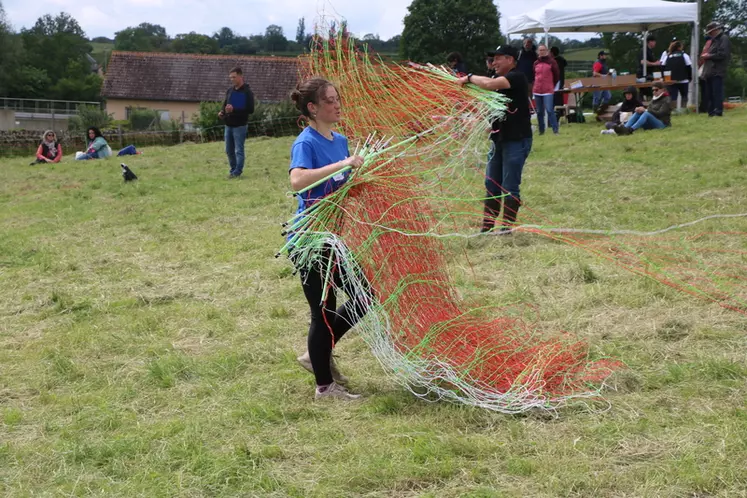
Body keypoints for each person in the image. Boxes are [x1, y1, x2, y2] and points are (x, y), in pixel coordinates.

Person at [288, 77, 368, 401]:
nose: (337, 105)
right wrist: (342, 164)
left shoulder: (341, 140)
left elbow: (342, 184)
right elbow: (298, 181)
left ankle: (316, 354)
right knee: (322, 310)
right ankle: (325, 386)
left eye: (337, 99)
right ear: (313, 108)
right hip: (310, 239)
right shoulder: (305, 143)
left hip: (334, 236)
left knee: (366, 294)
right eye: (330, 100)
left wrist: (364, 176)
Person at [458, 45, 532, 233]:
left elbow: (489, 85)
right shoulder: (495, 78)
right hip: (498, 138)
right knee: (491, 183)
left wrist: (468, 78)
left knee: (509, 185)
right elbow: (487, 90)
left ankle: (506, 228)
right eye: (492, 59)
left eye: (498, 58)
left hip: (516, 139)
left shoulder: (516, 77)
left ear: (510, 59)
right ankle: (487, 226)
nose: (494, 62)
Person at [218, 66, 255, 178]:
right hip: (228, 124)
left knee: (239, 150)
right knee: (229, 150)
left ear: (240, 76)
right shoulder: (230, 91)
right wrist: (222, 112)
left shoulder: (247, 92)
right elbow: (225, 105)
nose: (232, 79)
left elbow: (250, 109)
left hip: (240, 125)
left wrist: (234, 110)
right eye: (230, 78)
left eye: (234, 77)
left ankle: (237, 172)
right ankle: (233, 169)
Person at [701, 22, 731, 117]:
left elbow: (723, 54)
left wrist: (709, 56)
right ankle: (711, 112)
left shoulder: (723, 39)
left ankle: (718, 111)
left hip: (717, 70)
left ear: (715, 30)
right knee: (709, 93)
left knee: (717, 92)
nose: (709, 34)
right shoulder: (714, 40)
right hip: (710, 71)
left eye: (710, 32)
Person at [533, 44, 560, 135]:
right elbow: (534, 75)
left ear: (547, 51)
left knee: (549, 110)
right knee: (540, 112)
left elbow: (556, 75)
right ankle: (541, 130)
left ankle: (555, 130)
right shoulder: (536, 63)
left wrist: (551, 85)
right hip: (537, 90)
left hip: (548, 90)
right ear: (538, 52)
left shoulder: (552, 62)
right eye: (540, 50)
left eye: (544, 50)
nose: (542, 52)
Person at [661, 40, 692, 108]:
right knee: (684, 96)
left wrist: (663, 78)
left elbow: (662, 67)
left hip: (671, 80)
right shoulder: (684, 55)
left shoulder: (667, 56)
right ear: (680, 47)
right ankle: (683, 110)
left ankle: (673, 111)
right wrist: (690, 77)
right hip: (683, 79)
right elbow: (689, 67)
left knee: (673, 97)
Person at [638, 34, 661, 100]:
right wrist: (654, 63)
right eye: (654, 41)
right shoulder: (644, 50)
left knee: (650, 91)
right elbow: (642, 61)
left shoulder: (650, 51)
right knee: (651, 90)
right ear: (650, 42)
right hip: (644, 75)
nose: (655, 43)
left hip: (649, 74)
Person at [698, 35, 714, 113]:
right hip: (706, 69)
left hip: (702, 70)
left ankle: (703, 107)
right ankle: (706, 107)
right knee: (707, 89)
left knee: (704, 90)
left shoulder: (706, 44)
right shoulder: (711, 43)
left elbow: (701, 59)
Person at [551, 46, 567, 112]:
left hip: (556, 80)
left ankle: (556, 110)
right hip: (561, 80)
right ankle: (560, 110)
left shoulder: (553, 61)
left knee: (555, 96)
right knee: (560, 95)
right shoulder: (562, 59)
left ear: (552, 53)